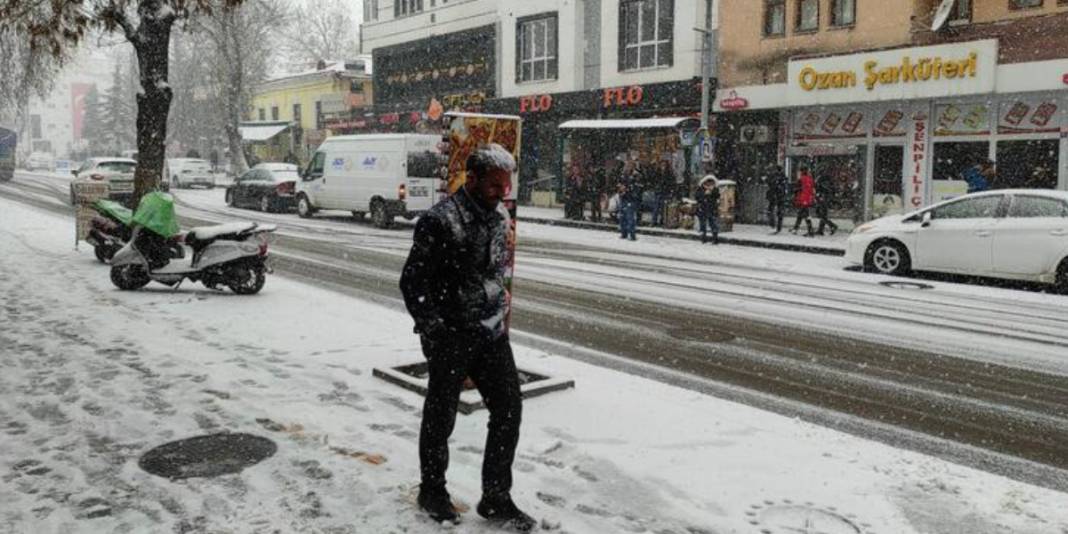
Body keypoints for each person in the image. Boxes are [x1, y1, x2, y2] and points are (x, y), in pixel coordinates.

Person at [399, 144, 535, 531]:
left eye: (505, 186)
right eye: (494, 185)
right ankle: (433, 490)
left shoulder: (498, 218)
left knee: (508, 409)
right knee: (441, 416)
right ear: (470, 178)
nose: (501, 193)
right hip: (452, 335)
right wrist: (434, 329)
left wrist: (498, 304)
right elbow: (412, 281)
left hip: (491, 333)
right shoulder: (440, 221)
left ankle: (495, 496)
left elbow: (493, 271)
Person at [618, 162, 642, 240]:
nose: (627, 167)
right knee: (622, 217)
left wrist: (627, 189)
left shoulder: (636, 175)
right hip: (623, 197)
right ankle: (623, 233)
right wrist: (620, 189)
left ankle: (632, 234)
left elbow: (637, 187)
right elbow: (619, 184)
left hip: (631, 198)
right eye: (626, 166)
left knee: (630, 217)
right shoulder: (623, 175)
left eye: (629, 166)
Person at [695, 175, 720, 244]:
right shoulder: (700, 189)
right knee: (703, 224)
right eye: (707, 183)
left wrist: (711, 192)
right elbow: (697, 197)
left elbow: (717, 196)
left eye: (711, 183)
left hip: (711, 209)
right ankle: (703, 237)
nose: (709, 185)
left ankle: (715, 238)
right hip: (703, 208)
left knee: (713, 223)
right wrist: (704, 195)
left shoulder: (715, 189)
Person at [791, 165, 816, 237]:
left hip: (802, 199)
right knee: (801, 215)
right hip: (808, 199)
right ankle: (795, 228)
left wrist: (795, 193)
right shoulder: (810, 179)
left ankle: (810, 231)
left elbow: (797, 189)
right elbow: (812, 189)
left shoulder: (801, 179)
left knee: (805, 215)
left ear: (801, 171)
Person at [765, 165, 788, 234]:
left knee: (770, 210)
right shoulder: (783, 177)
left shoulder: (773, 176)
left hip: (774, 196)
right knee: (779, 212)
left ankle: (772, 224)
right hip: (780, 196)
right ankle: (778, 226)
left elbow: (769, 183)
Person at [651, 160, 673, 227]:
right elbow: (654, 180)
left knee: (664, 208)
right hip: (658, 191)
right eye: (662, 165)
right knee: (656, 207)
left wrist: (670, 190)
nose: (663, 166)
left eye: (664, 165)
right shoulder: (657, 173)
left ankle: (662, 221)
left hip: (665, 191)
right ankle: (654, 221)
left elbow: (671, 182)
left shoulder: (669, 173)